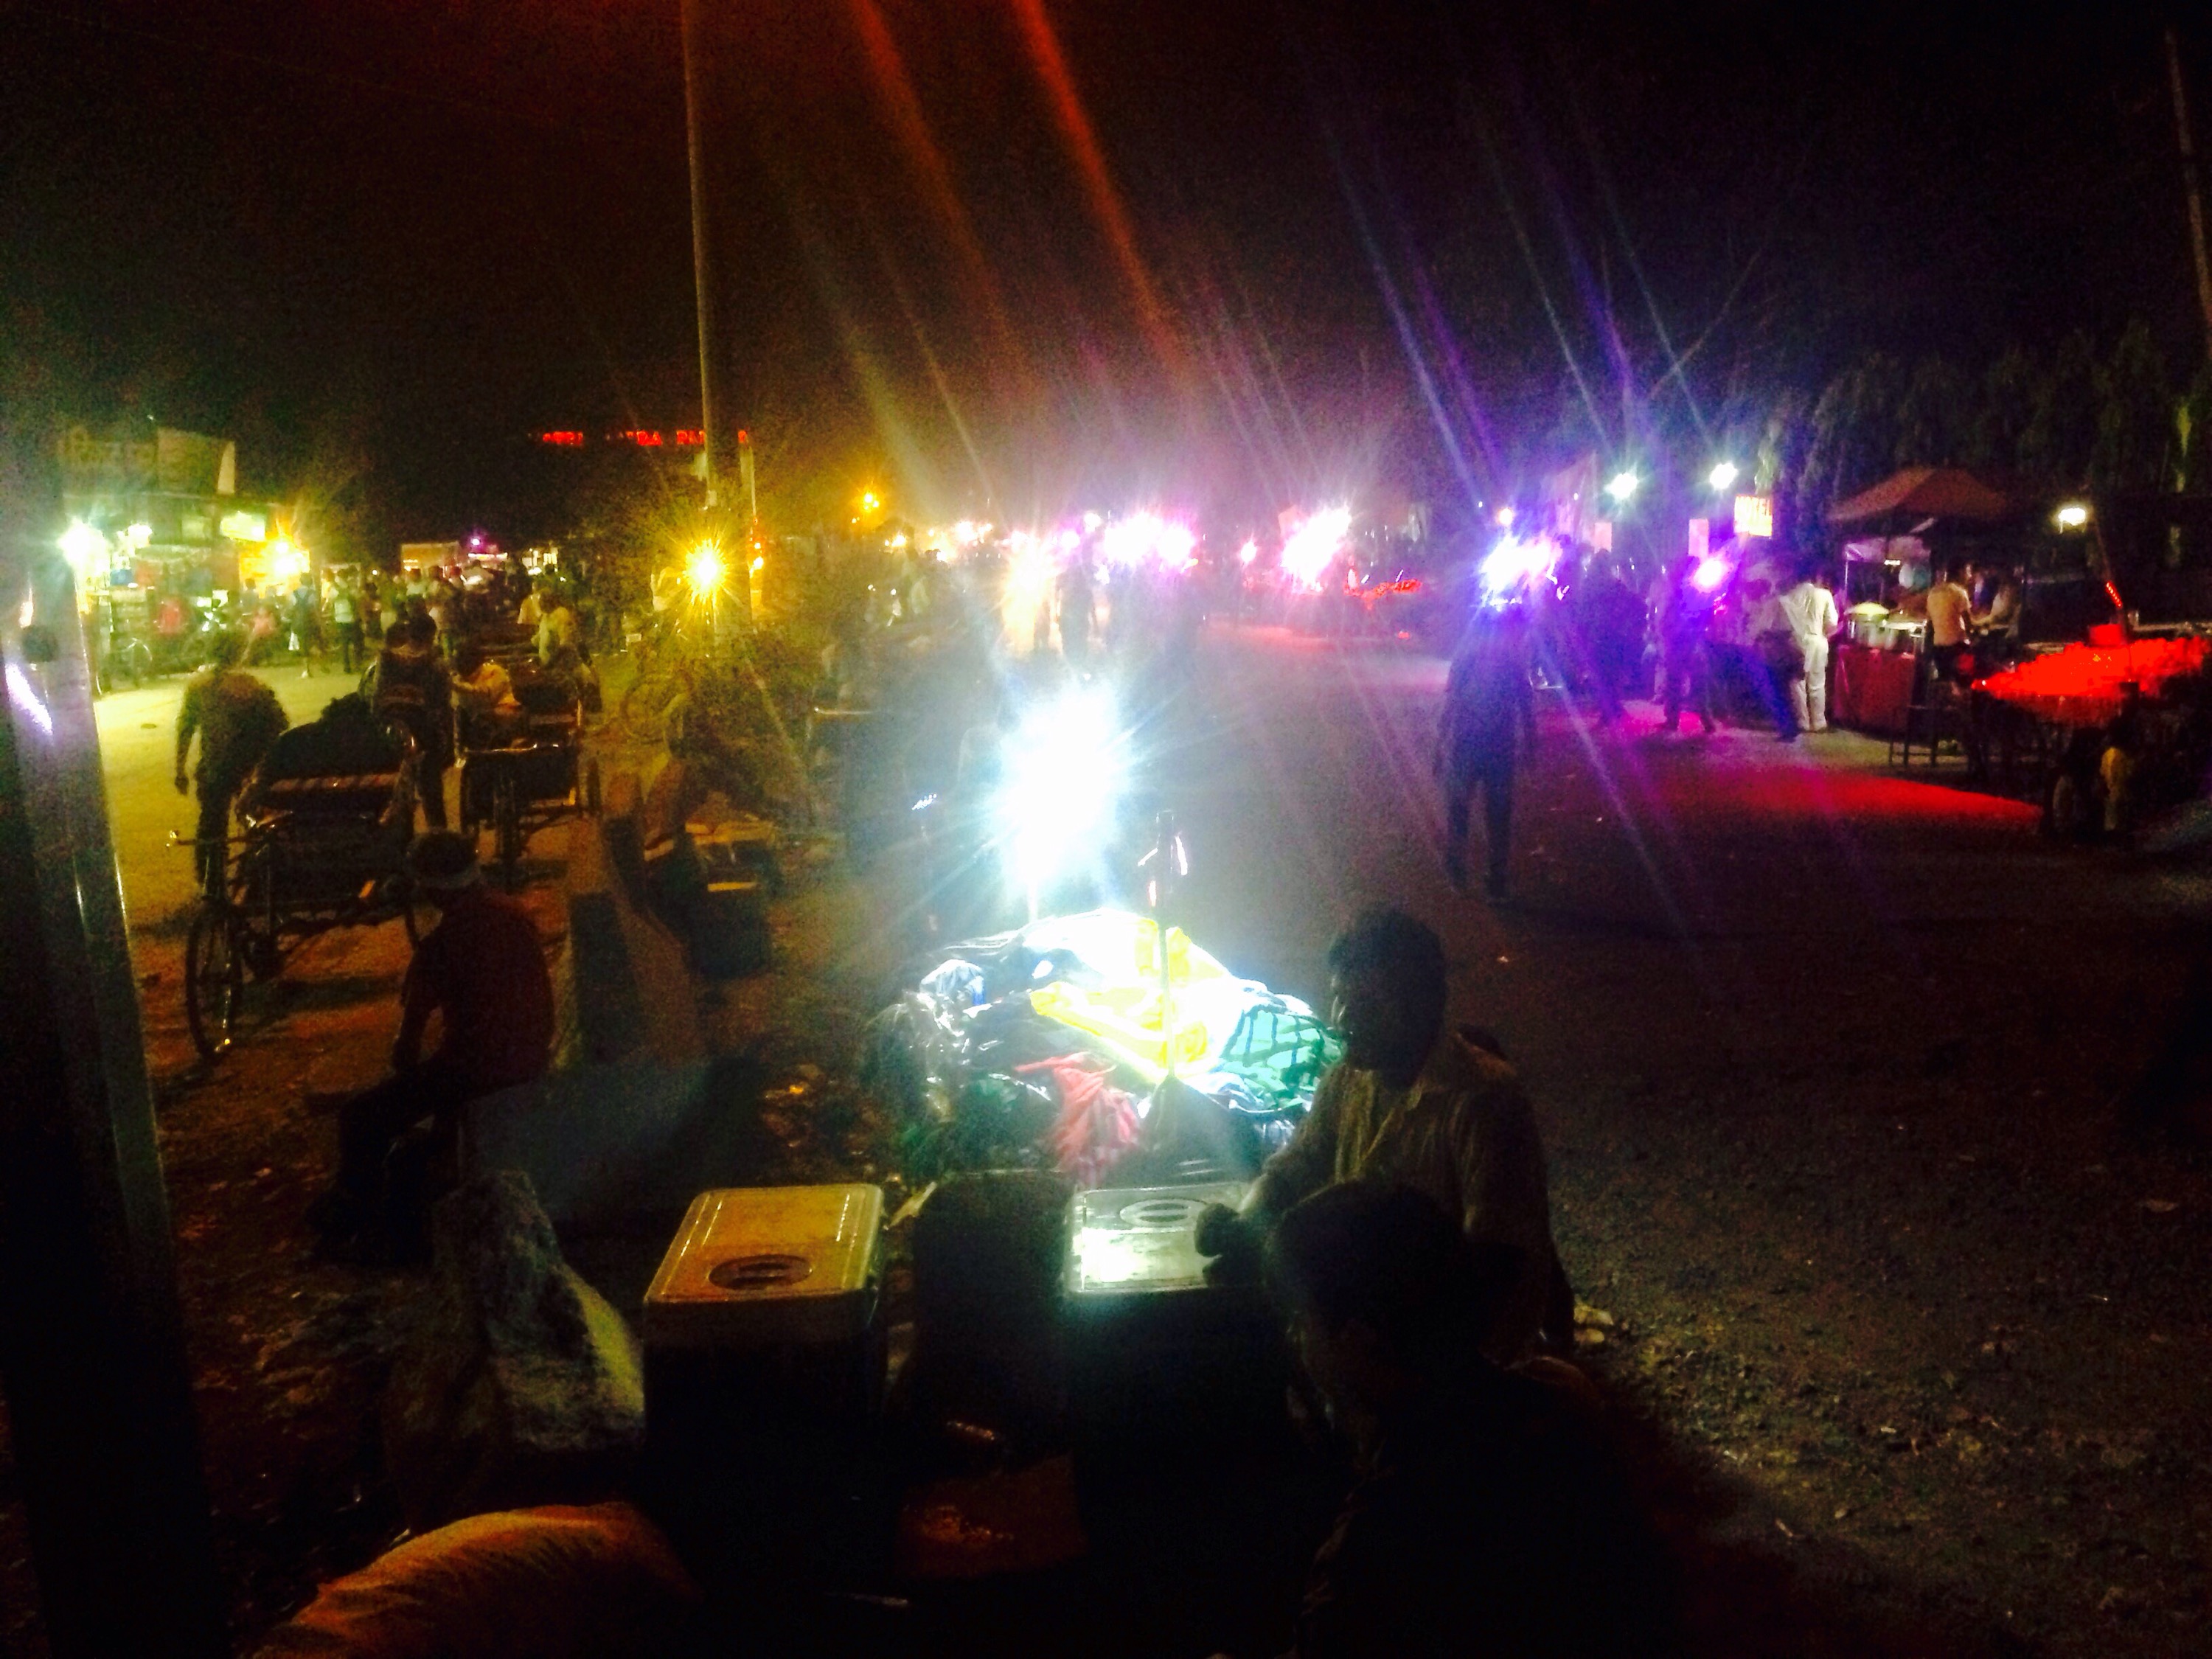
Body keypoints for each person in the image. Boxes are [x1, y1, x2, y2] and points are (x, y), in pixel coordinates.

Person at [1265, 1181, 1669, 1659]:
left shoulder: (1381, 1536)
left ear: (1360, 1339)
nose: (1296, 1339)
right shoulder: (1560, 1404)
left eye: (1302, 1321)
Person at [1206, 906, 1573, 1365]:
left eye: (1367, 1003)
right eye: (1340, 998)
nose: (1343, 1018)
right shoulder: (1348, 1078)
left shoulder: (1483, 1099)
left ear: (1423, 1004)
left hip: (1457, 1341)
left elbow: (1496, 1267)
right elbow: (1293, 1170)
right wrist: (1246, 1226)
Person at [307, 832, 555, 1254]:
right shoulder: (514, 914)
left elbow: (406, 1046)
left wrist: (407, 1074)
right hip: (528, 1058)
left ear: (432, 887)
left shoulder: (443, 943)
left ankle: (358, 1218)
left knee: (361, 1117)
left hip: (476, 1068)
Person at [175, 630, 290, 897]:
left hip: (214, 766)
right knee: (256, 822)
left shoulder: (198, 686)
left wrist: (179, 769)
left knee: (211, 826)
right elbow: (280, 723)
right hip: (248, 768)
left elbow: (185, 728)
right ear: (240, 652)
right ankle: (257, 877)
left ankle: (209, 881)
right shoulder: (251, 686)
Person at [1436, 604, 1537, 902]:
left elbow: (1451, 705)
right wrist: (1530, 744)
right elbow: (1525, 707)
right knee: (1494, 814)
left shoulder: (1472, 660)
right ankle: (1490, 876)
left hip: (1473, 744)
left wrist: (1440, 746)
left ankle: (1464, 870)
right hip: (1494, 746)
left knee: (1466, 809)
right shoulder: (1508, 662)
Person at [363, 615, 456, 828]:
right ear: (431, 636)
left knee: (394, 785)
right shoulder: (436, 664)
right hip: (424, 729)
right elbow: (442, 704)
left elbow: (377, 695)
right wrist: (448, 742)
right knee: (431, 786)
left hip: (392, 729)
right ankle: (437, 832)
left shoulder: (387, 659)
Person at [1775, 563, 1840, 734]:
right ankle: (1819, 722)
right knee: (1817, 683)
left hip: (1796, 642)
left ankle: (1802, 721)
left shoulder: (1787, 597)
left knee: (1797, 682)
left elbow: (1781, 625)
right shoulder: (1825, 595)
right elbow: (1831, 625)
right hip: (1818, 642)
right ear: (1815, 577)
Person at [1656, 556, 1718, 735]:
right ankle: (1706, 721)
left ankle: (1674, 720)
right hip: (1692, 640)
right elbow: (1708, 616)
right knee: (1697, 682)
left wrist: (1667, 631)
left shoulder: (1679, 590)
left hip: (1680, 641)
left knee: (1676, 681)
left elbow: (1669, 615)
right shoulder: (1700, 590)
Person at [1924, 560, 1975, 684]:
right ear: (1960, 572)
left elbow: (1930, 624)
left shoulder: (1933, 593)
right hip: (1956, 647)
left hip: (1938, 647)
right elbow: (1969, 624)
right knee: (1960, 682)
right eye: (1968, 572)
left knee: (1944, 681)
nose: (1970, 576)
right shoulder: (1959, 592)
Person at [330, 579, 364, 675]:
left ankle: (347, 667)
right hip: (351, 621)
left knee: (344, 646)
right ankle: (357, 665)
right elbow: (357, 607)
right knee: (357, 644)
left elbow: (332, 608)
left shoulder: (335, 595)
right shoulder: (351, 594)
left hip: (340, 621)